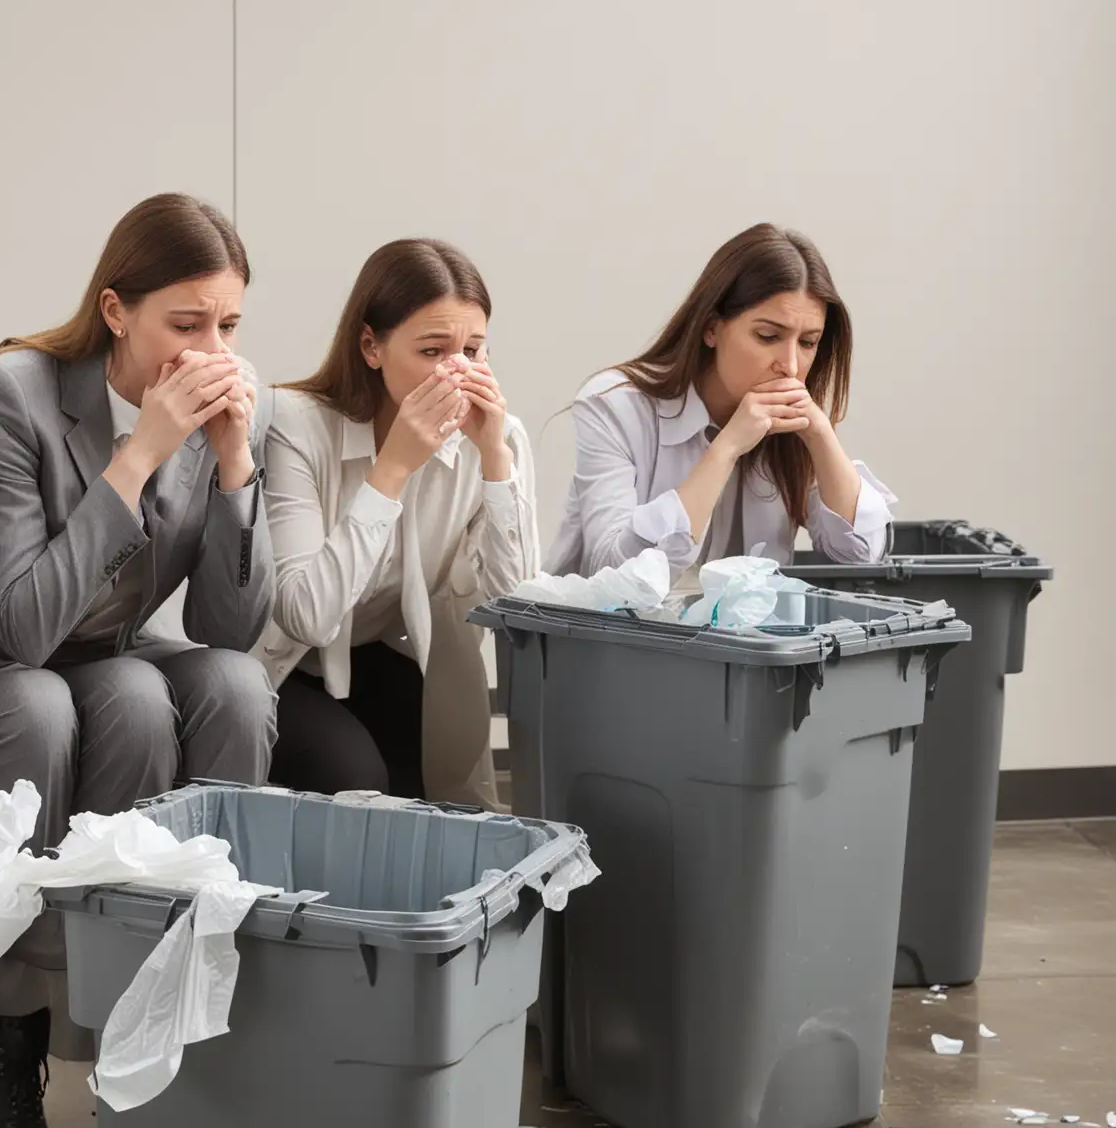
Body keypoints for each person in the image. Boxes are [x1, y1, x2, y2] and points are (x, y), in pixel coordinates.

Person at [0, 193, 277, 1128]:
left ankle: (164, 1013)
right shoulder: (11, 393)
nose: (211, 349)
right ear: (116, 310)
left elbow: (237, 631)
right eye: (185, 325)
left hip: (104, 667)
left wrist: (235, 466)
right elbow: (21, 628)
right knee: (48, 703)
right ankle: (7, 1042)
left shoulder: (226, 414)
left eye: (228, 326)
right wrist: (139, 452)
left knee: (229, 689)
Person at [257, 239, 539, 808]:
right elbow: (306, 614)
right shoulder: (295, 424)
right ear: (372, 346)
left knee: (428, 797)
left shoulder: (499, 440)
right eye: (433, 350)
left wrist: (494, 463)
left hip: (378, 652)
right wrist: (392, 469)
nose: (458, 372)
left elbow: (517, 607)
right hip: (276, 666)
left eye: (474, 350)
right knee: (354, 777)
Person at [546, 223, 894, 577]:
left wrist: (820, 435)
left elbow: (861, 555)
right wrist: (726, 448)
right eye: (768, 336)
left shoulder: (794, 428)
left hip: (737, 632)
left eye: (808, 343)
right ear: (711, 328)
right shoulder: (615, 405)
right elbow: (613, 567)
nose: (790, 365)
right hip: (605, 631)